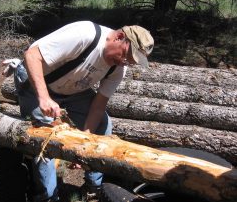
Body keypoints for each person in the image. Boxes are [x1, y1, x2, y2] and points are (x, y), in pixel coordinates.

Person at [9, 21, 154, 202]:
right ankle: (47, 196)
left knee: (102, 125)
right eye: (126, 55)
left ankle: (93, 189)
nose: (124, 62)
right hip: (36, 80)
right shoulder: (85, 35)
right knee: (45, 135)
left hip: (71, 89)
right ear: (119, 37)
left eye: (130, 62)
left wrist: (84, 144)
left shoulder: (118, 68)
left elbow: (98, 106)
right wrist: (44, 98)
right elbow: (31, 55)